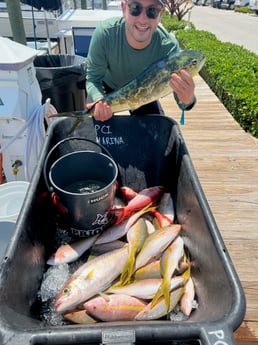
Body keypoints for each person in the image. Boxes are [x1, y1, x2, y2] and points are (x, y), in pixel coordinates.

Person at [86, 0, 196, 122]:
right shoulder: (105, 33)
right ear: (124, 8)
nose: (143, 20)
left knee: (155, 133)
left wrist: (188, 99)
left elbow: (181, 99)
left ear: (161, 14)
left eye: (152, 11)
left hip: (144, 93)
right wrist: (99, 100)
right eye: (135, 8)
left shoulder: (169, 48)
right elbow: (93, 79)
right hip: (106, 88)